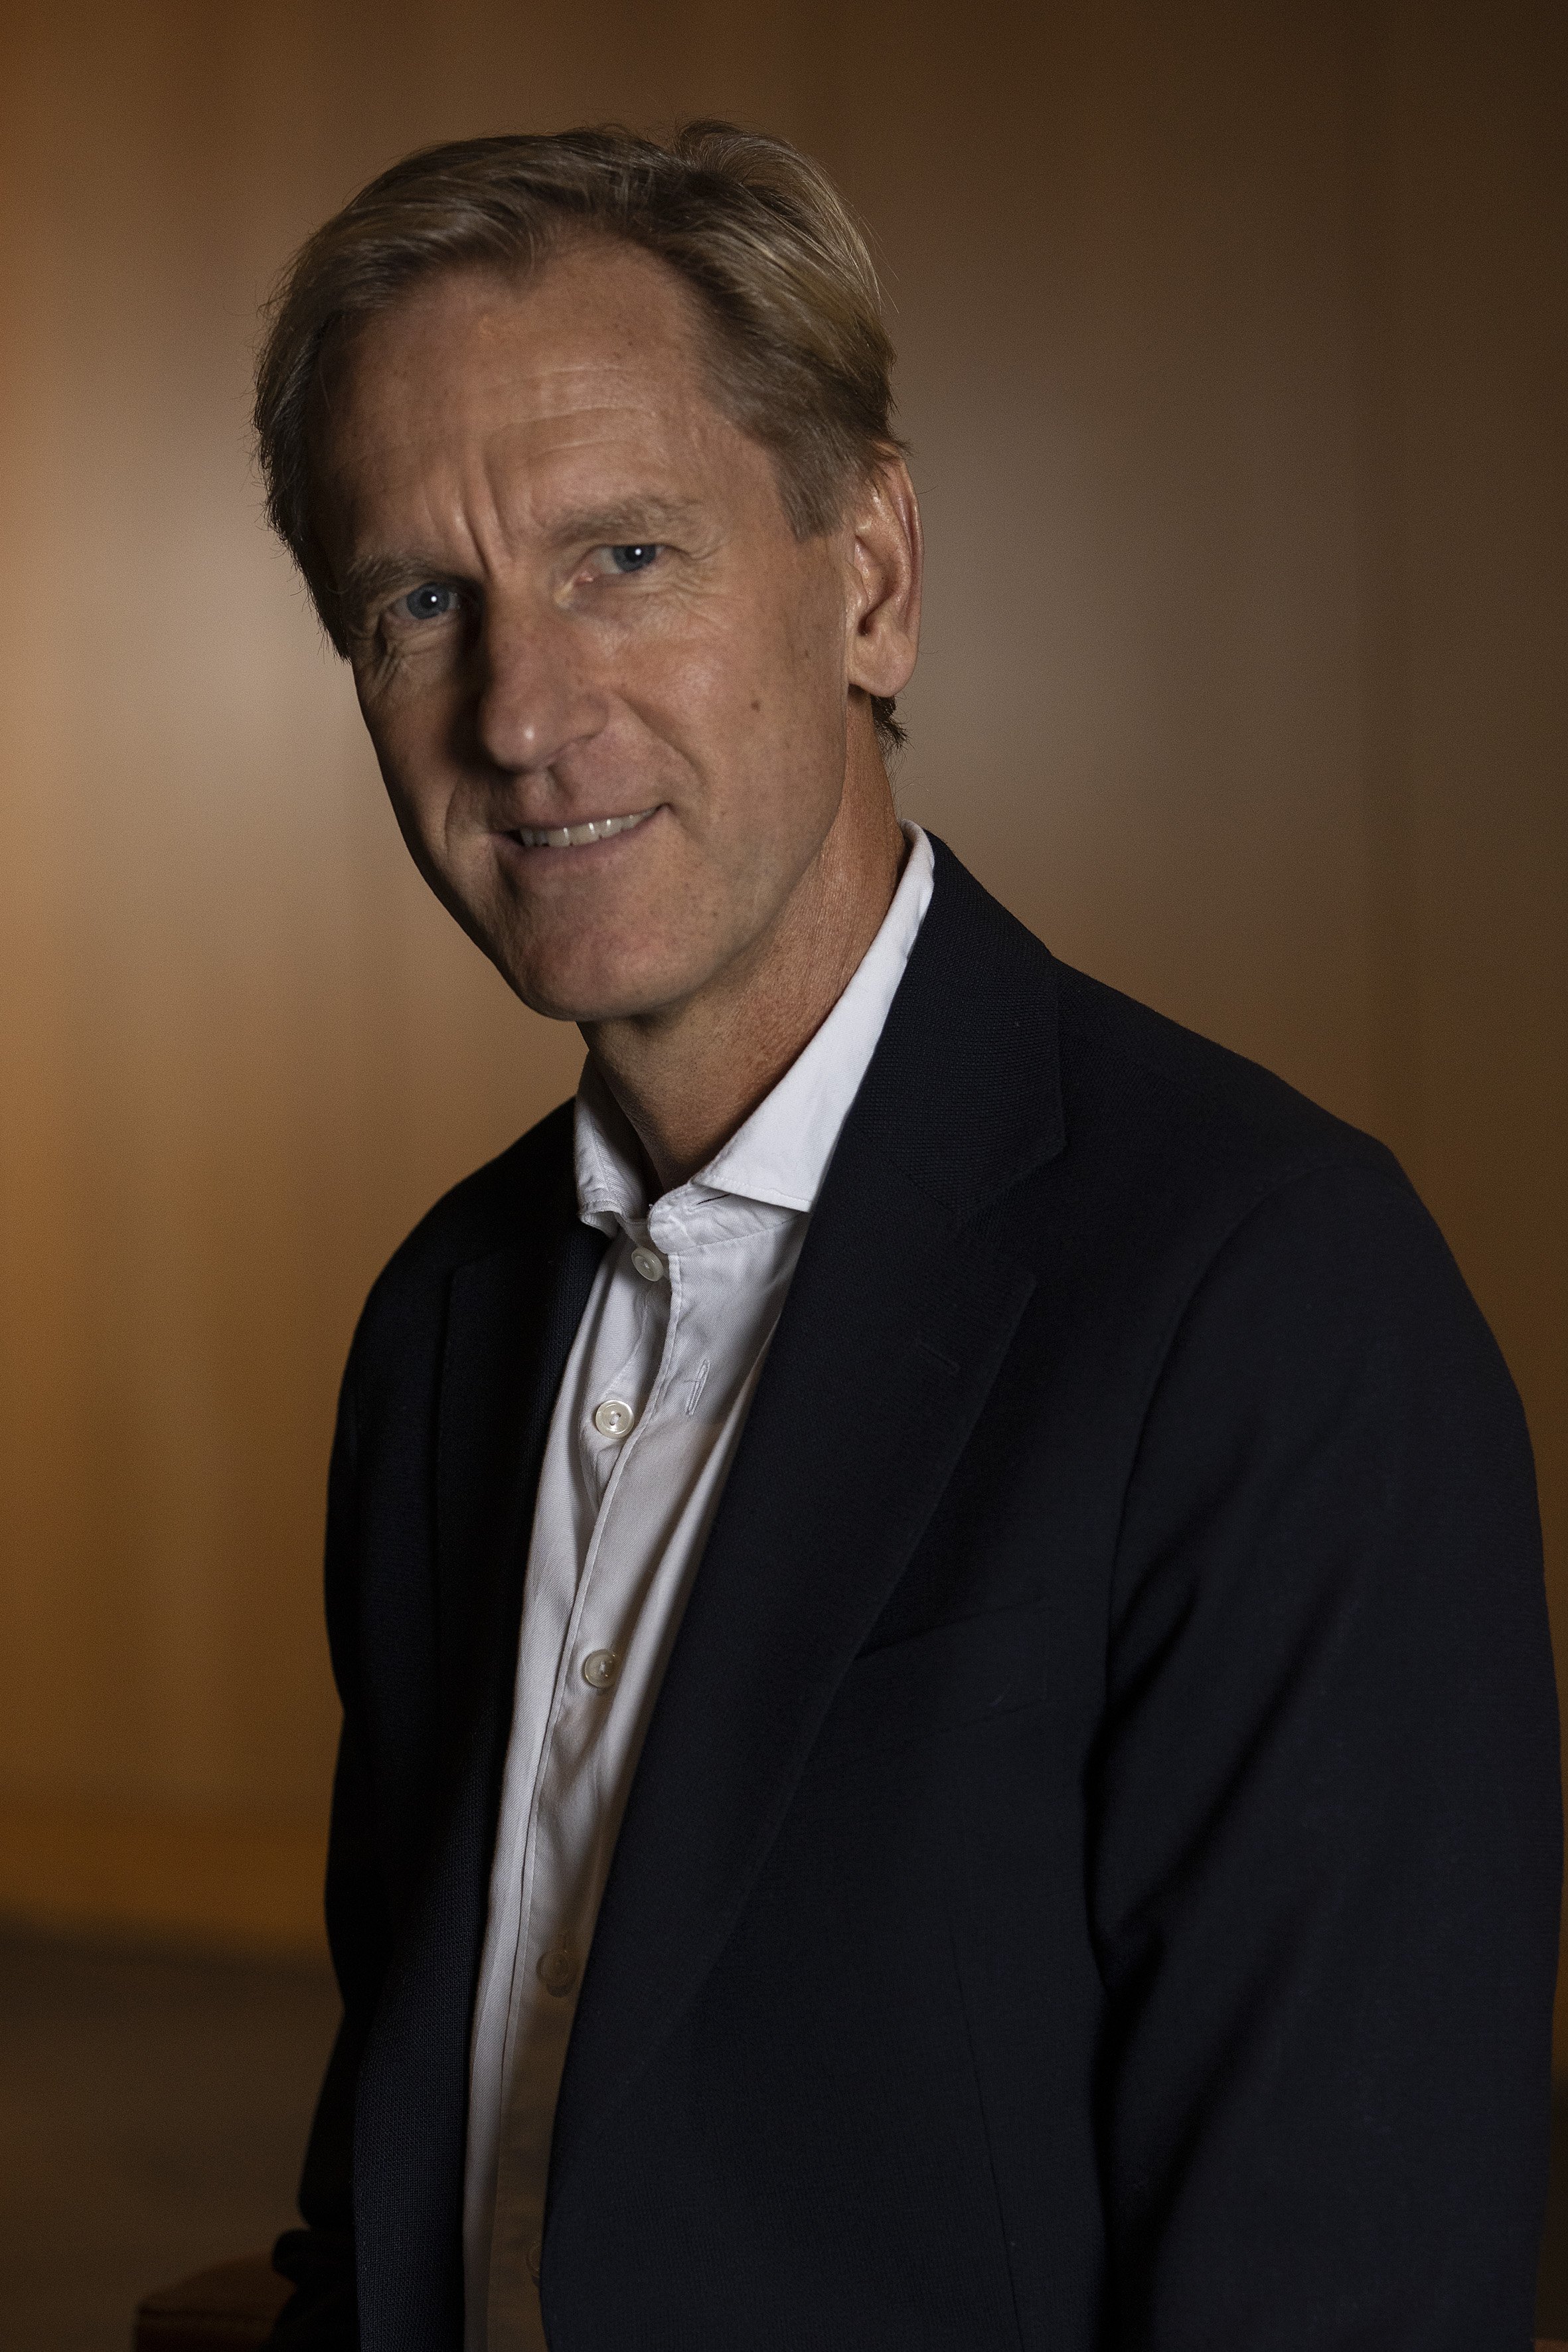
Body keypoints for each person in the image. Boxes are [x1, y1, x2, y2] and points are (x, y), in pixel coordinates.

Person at [252, 124, 1560, 2352]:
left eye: (624, 556)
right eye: (420, 604)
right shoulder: (445, 1327)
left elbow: (1333, 2281)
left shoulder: (1265, 1298)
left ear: (868, 576)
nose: (524, 716)